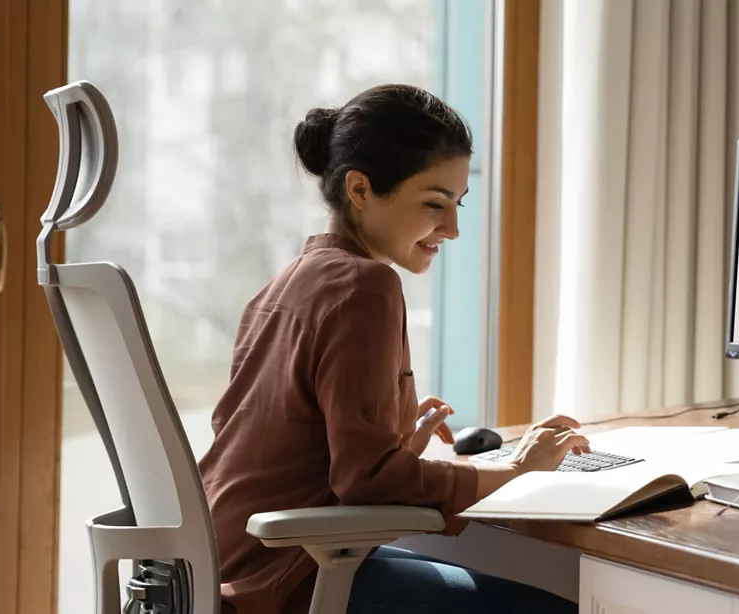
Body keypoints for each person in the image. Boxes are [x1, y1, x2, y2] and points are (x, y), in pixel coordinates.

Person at [198, 84, 587, 614]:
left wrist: (397, 441)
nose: (451, 228)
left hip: (223, 568)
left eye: (458, 204)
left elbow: (284, 447)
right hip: (288, 580)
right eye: (434, 203)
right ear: (360, 190)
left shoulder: (287, 283)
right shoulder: (366, 286)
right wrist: (517, 472)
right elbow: (366, 480)